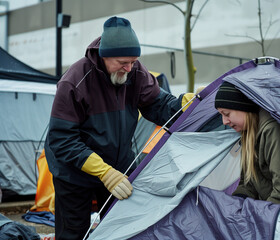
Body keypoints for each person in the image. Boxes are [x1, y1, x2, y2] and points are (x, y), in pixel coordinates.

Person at [45, 16, 189, 239]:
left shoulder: (135, 72)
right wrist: (103, 171)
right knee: (73, 234)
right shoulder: (74, 82)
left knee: (124, 228)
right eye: (123, 62)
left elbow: (158, 105)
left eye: (133, 61)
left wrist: (185, 104)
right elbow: (62, 140)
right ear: (104, 56)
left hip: (118, 168)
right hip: (74, 174)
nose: (129, 68)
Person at [214, 81, 280, 205]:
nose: (224, 121)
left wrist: (264, 217)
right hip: (270, 208)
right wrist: (235, 204)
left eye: (226, 114)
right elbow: (247, 183)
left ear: (243, 107)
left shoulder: (272, 130)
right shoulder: (248, 134)